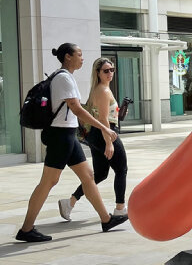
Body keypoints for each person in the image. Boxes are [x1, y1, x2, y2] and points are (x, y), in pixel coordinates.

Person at [16, 43, 129, 242]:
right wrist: (104, 128)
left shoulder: (65, 77)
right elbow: (77, 109)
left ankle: (106, 219)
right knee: (48, 182)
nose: (82, 58)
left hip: (68, 135)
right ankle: (26, 229)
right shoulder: (64, 78)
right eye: (79, 54)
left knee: (88, 176)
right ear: (68, 57)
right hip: (61, 136)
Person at [59, 57, 128, 222]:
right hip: (106, 134)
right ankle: (120, 209)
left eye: (112, 70)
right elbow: (104, 120)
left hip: (96, 136)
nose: (110, 73)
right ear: (97, 73)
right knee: (121, 169)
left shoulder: (98, 89)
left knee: (100, 174)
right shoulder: (103, 91)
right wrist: (109, 143)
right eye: (105, 71)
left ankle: (70, 202)